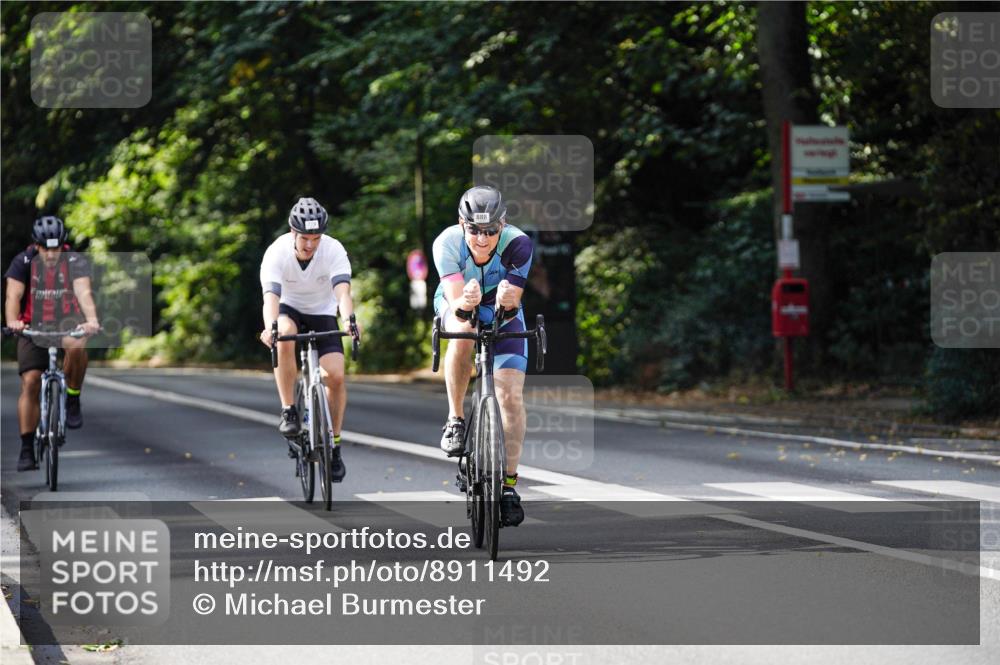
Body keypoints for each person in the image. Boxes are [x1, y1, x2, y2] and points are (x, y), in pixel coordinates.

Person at [432, 185, 533, 526]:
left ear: (502, 225)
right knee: (462, 332)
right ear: (462, 226)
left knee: (510, 397)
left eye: (490, 230)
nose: (482, 238)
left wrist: (509, 299)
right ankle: (456, 419)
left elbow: (513, 303)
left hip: (501, 312)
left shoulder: (519, 243)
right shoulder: (446, 243)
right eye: (474, 230)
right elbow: (458, 306)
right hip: (457, 302)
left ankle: (508, 486)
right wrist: (465, 302)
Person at [258, 197, 360, 482]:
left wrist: (350, 320)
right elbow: (271, 298)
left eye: (316, 238)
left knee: (336, 376)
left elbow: (342, 292)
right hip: (288, 309)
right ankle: (289, 409)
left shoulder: (334, 249)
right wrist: (271, 327)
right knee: (285, 332)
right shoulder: (276, 252)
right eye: (305, 238)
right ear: (293, 233)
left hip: (323, 312)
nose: (310, 245)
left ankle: (335, 446)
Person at [4, 216, 100, 471]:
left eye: (56, 248)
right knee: (32, 381)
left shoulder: (74, 261)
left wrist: (91, 320)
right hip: (32, 328)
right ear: (36, 245)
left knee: (77, 347)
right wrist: (13, 322)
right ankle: (27, 449)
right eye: (46, 248)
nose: (51, 254)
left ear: (63, 246)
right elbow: (13, 295)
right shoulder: (23, 262)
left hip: (66, 323)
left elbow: (83, 292)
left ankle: (72, 396)